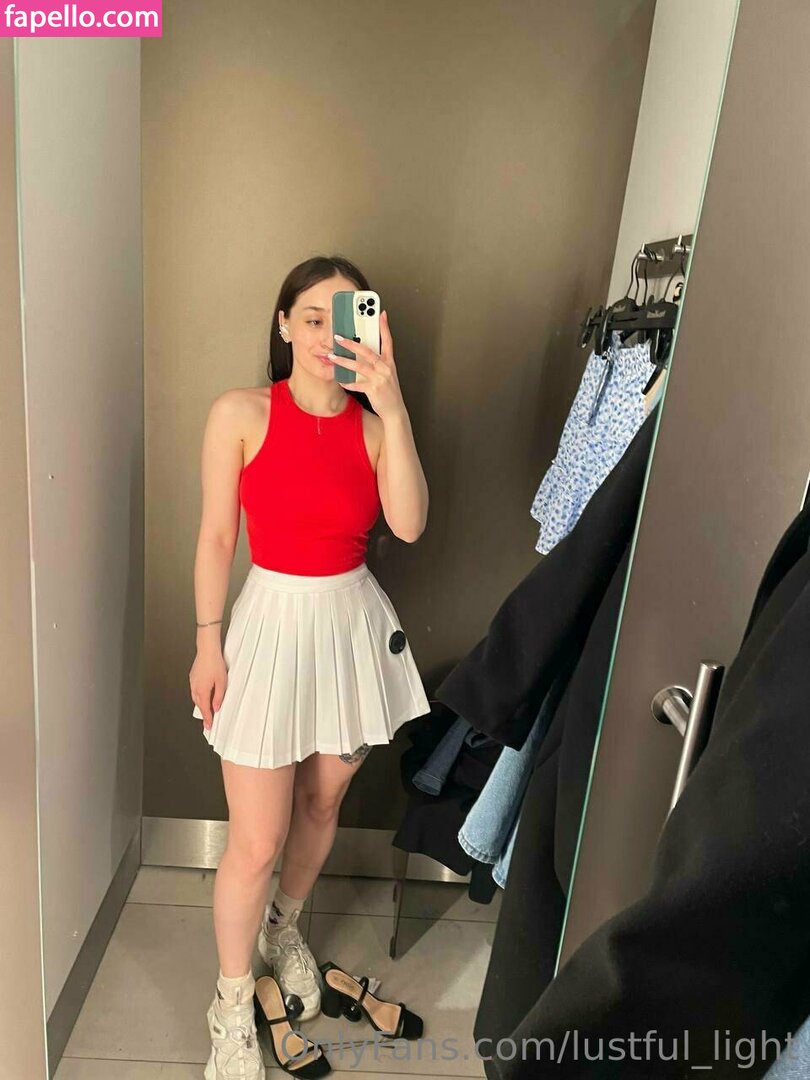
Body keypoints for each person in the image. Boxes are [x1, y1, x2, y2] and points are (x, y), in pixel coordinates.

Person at [188, 255, 431, 1078]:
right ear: (285, 324)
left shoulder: (375, 426)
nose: (329, 335)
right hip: (268, 626)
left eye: (346, 318)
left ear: (372, 328)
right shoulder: (240, 413)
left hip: (350, 630)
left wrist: (393, 405)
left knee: (322, 802)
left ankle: (282, 930)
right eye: (314, 317)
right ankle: (231, 1006)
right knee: (256, 839)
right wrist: (207, 640)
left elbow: (409, 523)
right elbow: (216, 535)